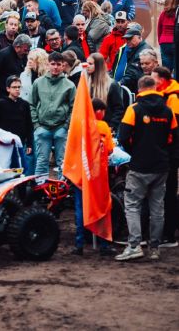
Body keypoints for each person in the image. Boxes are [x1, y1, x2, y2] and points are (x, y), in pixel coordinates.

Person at [116, 76, 178, 261]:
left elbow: (122, 136)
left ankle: (134, 245)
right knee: (157, 207)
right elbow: (174, 138)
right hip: (161, 166)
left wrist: (134, 151)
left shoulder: (134, 109)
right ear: (155, 88)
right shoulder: (168, 110)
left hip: (140, 166)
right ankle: (155, 248)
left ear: (139, 89)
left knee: (132, 205)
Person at [72, 98, 115, 256]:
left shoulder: (79, 125)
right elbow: (110, 149)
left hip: (81, 174)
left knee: (80, 208)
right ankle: (104, 245)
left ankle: (79, 245)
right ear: (98, 111)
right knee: (101, 208)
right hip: (98, 175)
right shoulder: (103, 126)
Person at [31, 52, 76, 176]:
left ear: (63, 66)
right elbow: (32, 104)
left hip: (61, 128)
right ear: (47, 64)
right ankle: (41, 186)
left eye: (58, 64)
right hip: (42, 127)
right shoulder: (38, 83)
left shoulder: (69, 85)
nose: (55, 67)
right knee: (41, 161)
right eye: (53, 64)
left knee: (63, 162)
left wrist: (66, 126)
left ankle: (63, 187)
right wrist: (36, 125)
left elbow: (74, 107)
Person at [152, 66, 179, 248]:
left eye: (153, 78)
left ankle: (169, 234)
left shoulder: (173, 98)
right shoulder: (165, 95)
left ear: (162, 80)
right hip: (167, 152)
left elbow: (173, 128)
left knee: (168, 192)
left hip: (170, 153)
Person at [0, 75, 34, 172]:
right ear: (8, 89)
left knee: (19, 167)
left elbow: (29, 124)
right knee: (5, 167)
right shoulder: (0, 104)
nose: (17, 89)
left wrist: (29, 144)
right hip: (5, 142)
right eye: (14, 87)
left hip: (20, 142)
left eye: (19, 87)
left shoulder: (25, 104)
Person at [0, 34, 31, 99]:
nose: (27, 53)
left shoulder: (22, 56)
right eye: (25, 50)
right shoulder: (3, 55)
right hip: (1, 95)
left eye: (28, 50)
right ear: (17, 47)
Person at [86, 53, 124, 132]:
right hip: (88, 126)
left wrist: (111, 126)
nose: (87, 66)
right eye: (87, 63)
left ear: (98, 66)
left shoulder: (112, 85)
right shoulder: (85, 83)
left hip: (106, 127)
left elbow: (118, 109)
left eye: (90, 64)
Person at [112, 26, 152, 93]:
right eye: (126, 39)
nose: (127, 41)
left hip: (141, 88)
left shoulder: (143, 51)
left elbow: (133, 73)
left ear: (139, 37)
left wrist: (118, 84)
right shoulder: (134, 49)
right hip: (136, 87)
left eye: (130, 38)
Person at [157, 0, 178, 73]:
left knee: (166, 70)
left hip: (164, 42)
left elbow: (159, 28)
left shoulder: (164, 13)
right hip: (175, 42)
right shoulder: (177, 14)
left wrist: (160, 41)